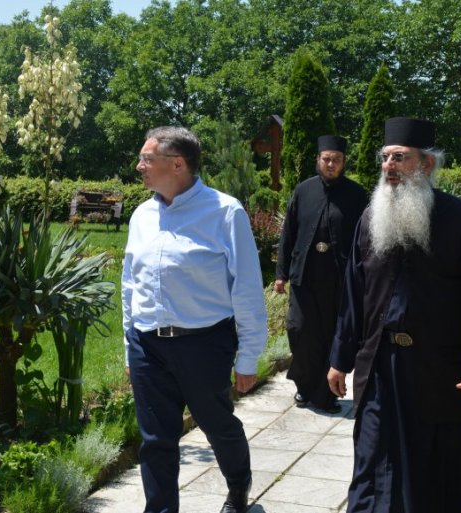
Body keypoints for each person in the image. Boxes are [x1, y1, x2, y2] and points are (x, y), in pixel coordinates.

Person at [326, 117, 461, 513]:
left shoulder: (458, 218)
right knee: (372, 465)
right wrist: (340, 358)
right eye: (385, 158)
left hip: (437, 371)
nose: (388, 166)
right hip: (379, 367)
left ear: (426, 164)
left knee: (433, 474)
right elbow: (353, 295)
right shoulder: (369, 219)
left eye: (399, 158)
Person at [122, 126, 266, 513]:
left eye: (147, 159)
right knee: (156, 439)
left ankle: (238, 486)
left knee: (217, 425)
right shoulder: (142, 216)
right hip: (147, 345)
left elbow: (246, 287)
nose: (139, 167)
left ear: (178, 164)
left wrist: (248, 356)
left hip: (203, 344)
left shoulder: (225, 212)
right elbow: (129, 284)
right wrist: (129, 345)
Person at [275, 135, 368, 414]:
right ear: (318, 160)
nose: (330, 164)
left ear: (344, 162)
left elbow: (365, 239)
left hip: (339, 280)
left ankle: (326, 395)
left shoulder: (356, 194)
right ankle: (304, 386)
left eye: (336, 160)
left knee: (331, 336)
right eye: (326, 159)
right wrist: (281, 273)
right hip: (304, 277)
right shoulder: (303, 191)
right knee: (300, 331)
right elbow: (288, 233)